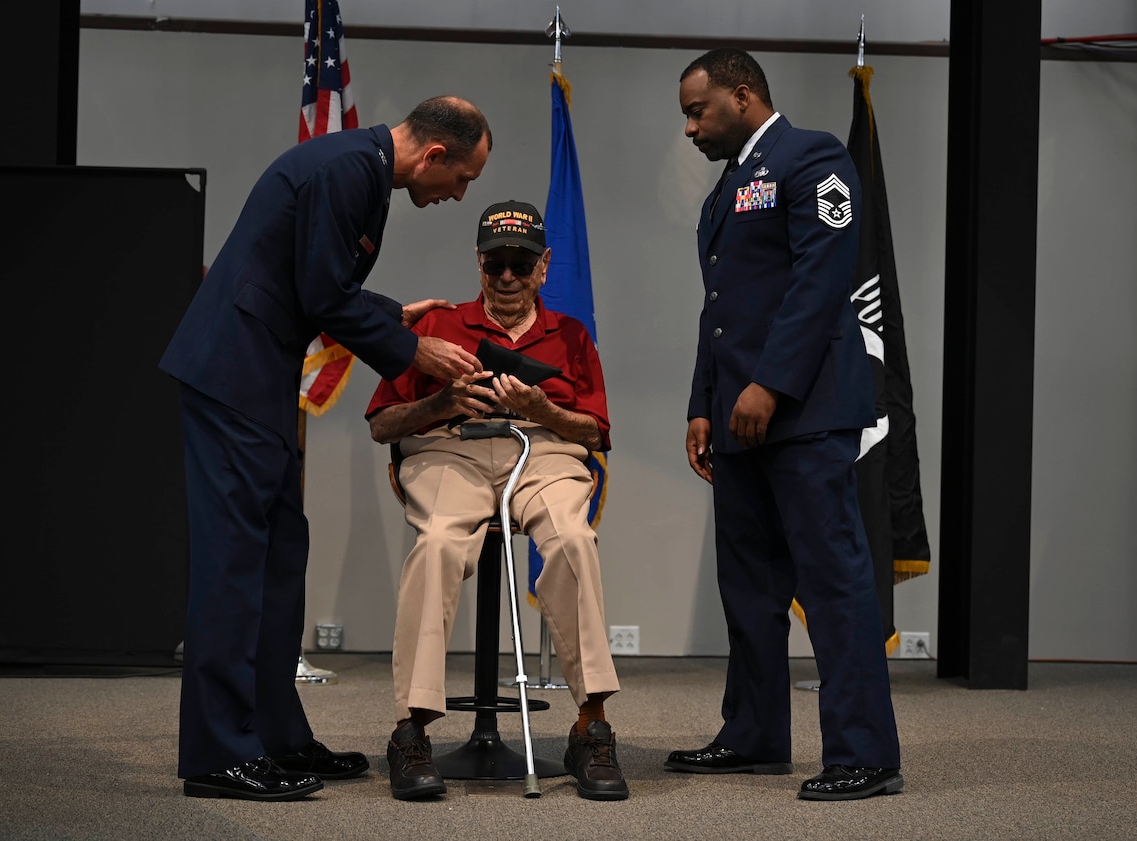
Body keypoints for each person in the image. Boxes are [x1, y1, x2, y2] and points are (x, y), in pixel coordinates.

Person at [159, 96, 492, 802]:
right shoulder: (348, 171)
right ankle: (219, 754)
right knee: (233, 567)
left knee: (279, 559)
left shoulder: (360, 169)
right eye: (462, 179)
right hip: (232, 375)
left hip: (259, 379)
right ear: (434, 155)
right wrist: (413, 348)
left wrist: (385, 313)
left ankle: (278, 736)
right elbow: (321, 291)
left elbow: (321, 285)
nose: (458, 195)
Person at [665, 49, 904, 801]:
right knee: (749, 588)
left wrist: (770, 382)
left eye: (697, 110)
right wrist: (704, 402)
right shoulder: (725, 190)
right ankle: (755, 733)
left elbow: (822, 278)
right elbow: (721, 315)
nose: (690, 128)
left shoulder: (814, 157)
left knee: (834, 583)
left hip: (802, 413)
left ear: (743, 95)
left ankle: (865, 752)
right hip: (739, 422)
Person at [365, 200, 628, 802]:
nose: (507, 276)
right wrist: (442, 403)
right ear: (478, 262)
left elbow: (596, 432)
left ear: (543, 267)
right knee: (436, 544)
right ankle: (413, 729)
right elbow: (382, 424)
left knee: (571, 539)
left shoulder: (571, 333)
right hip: (450, 449)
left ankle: (591, 728)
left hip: (543, 449)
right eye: (495, 263)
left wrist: (544, 411)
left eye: (520, 262)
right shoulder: (436, 326)